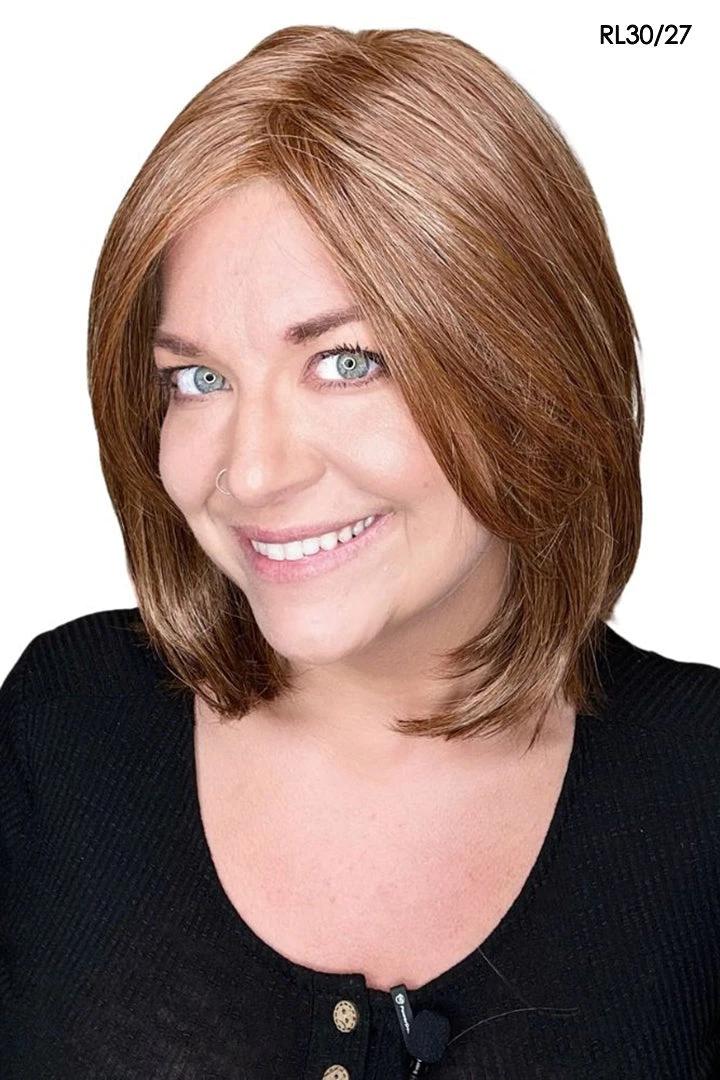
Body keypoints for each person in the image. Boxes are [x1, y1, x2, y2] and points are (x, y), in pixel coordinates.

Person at [1, 23, 718, 1080]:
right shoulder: (65, 728)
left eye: (347, 362)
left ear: (529, 371)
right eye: (199, 379)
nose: (252, 473)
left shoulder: (700, 784)